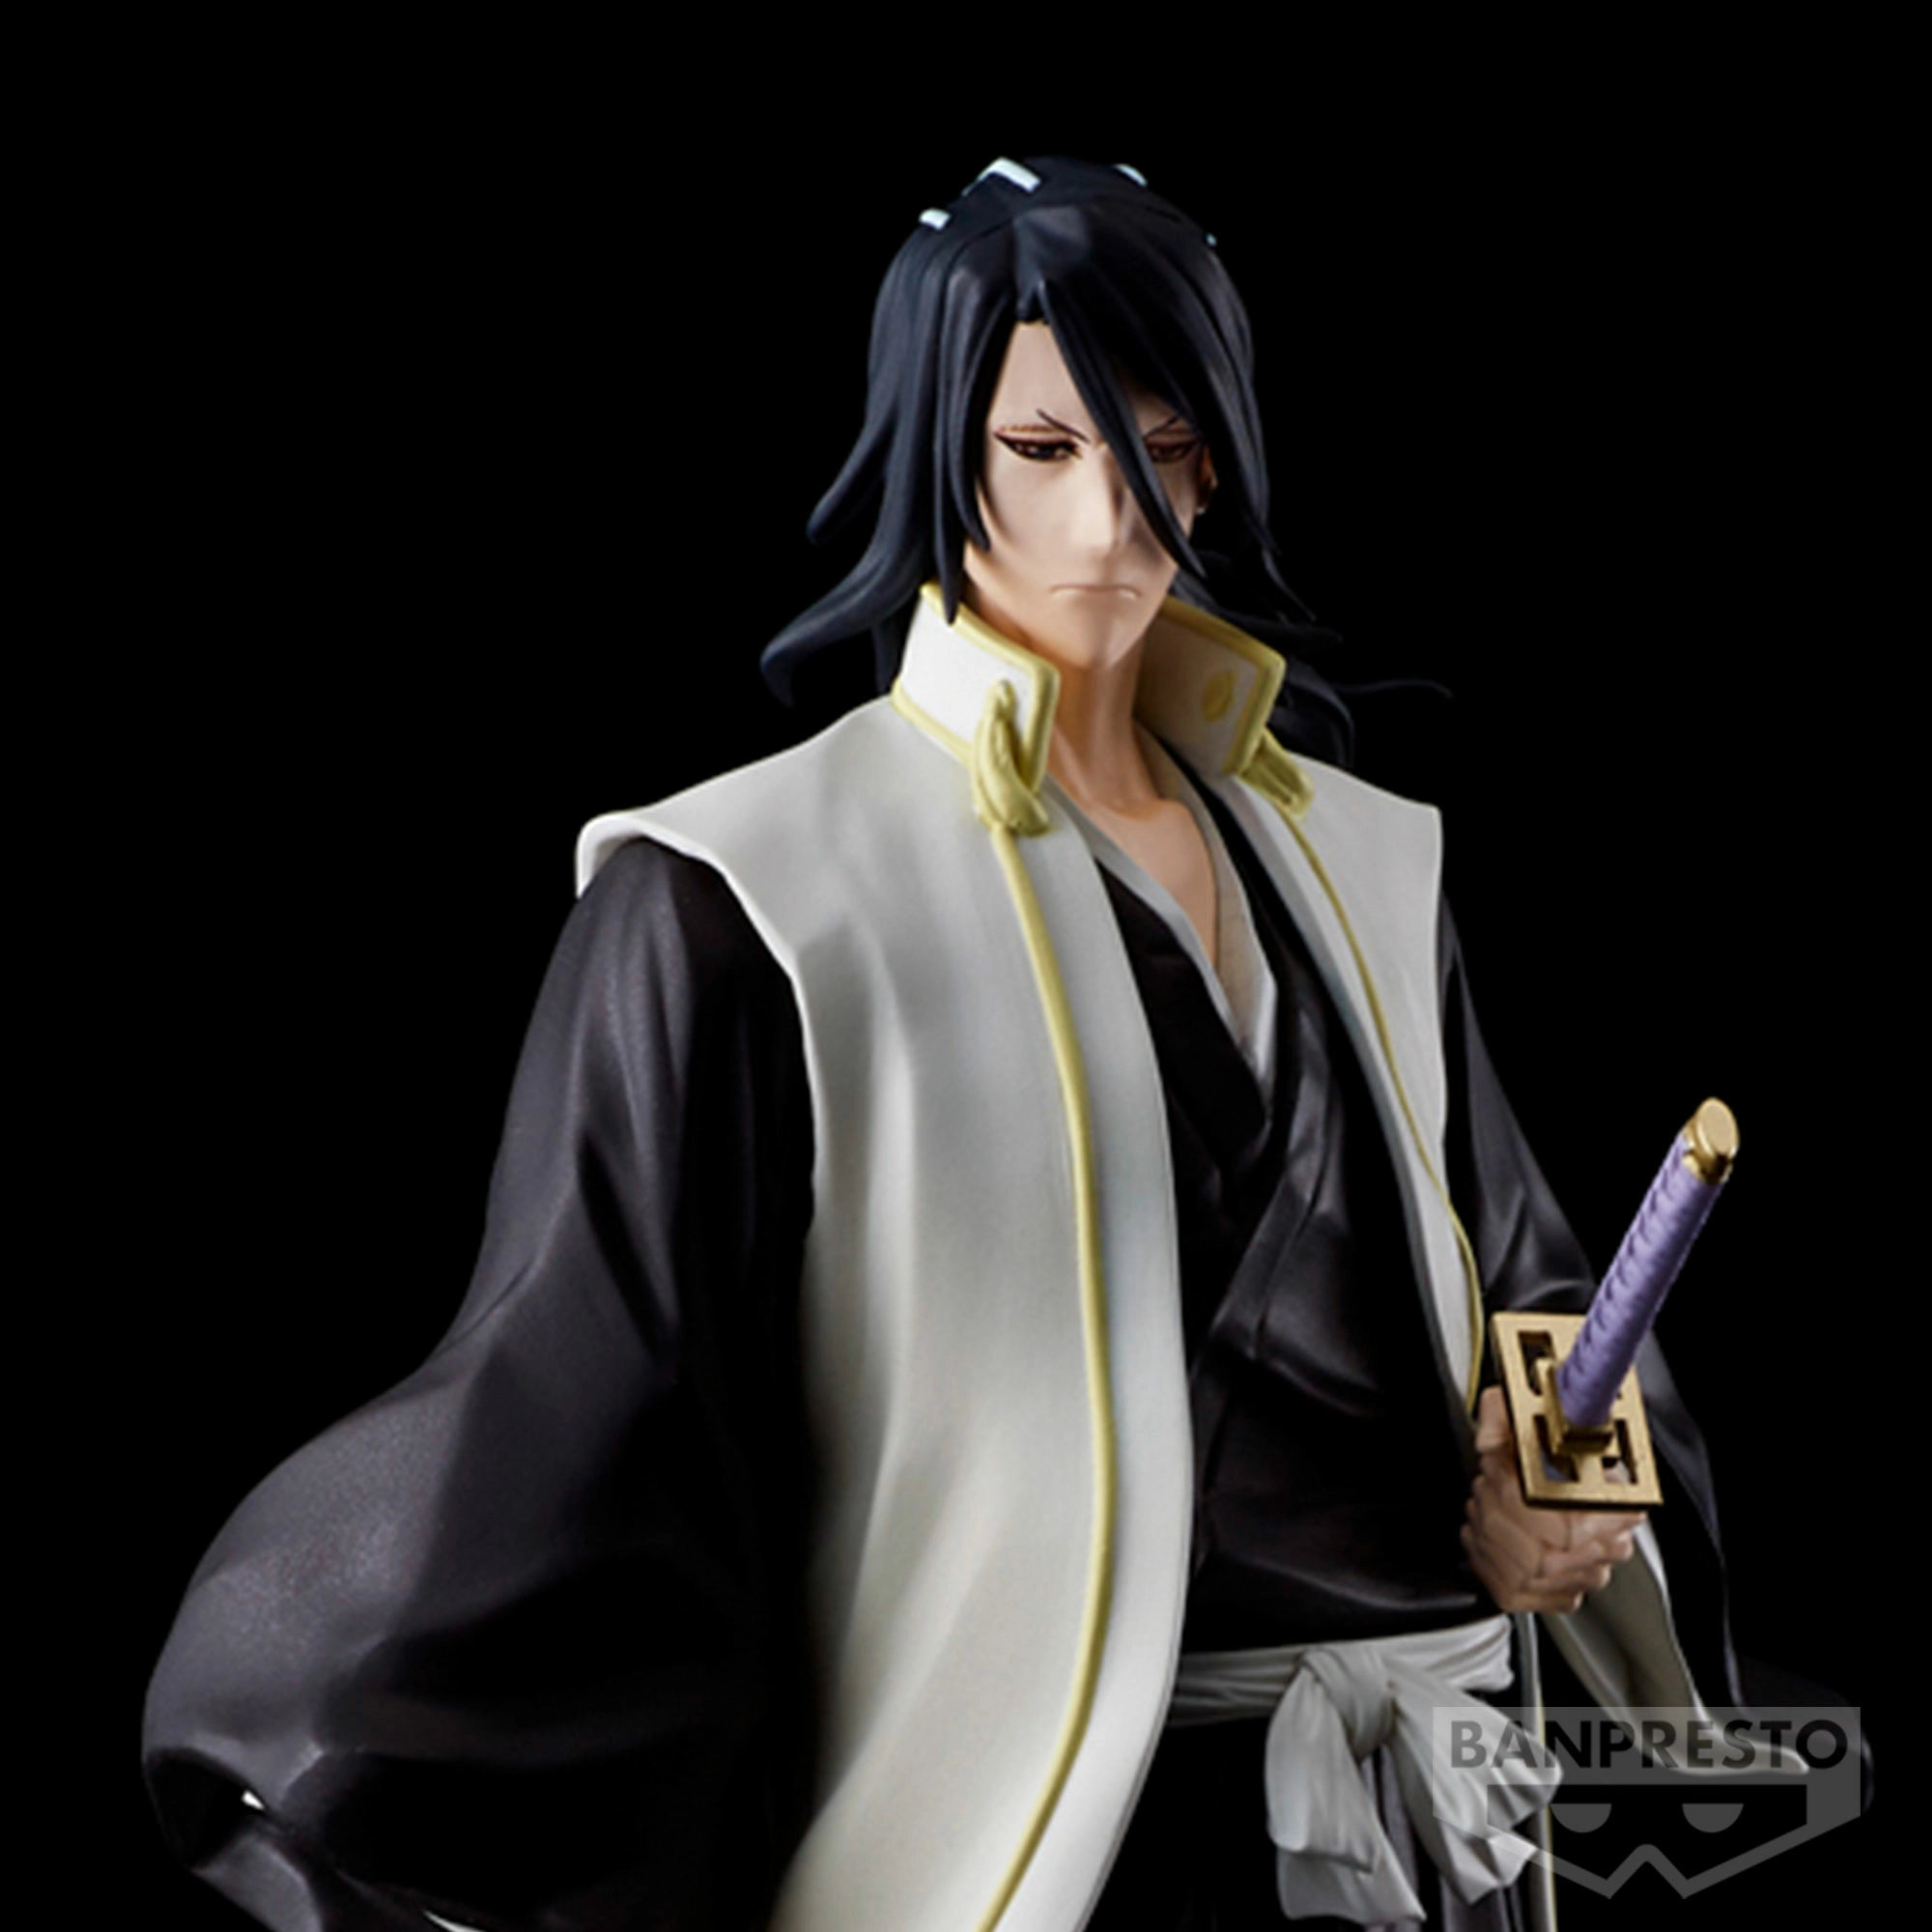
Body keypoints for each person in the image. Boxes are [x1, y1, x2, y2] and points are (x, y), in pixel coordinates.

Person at [146, 156, 1734, 1932]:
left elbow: (1524, 1281)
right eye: (1042, 449)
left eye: (1164, 449)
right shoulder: (758, 893)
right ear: (937, 450)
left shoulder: (1361, 860)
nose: (1108, 521)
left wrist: (1569, 1479)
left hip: (1434, 1817)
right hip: (1061, 1845)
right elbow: (595, 1409)